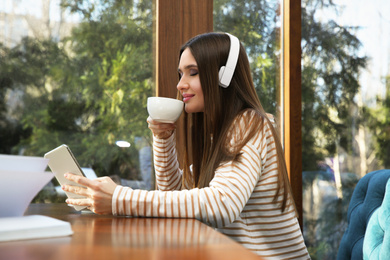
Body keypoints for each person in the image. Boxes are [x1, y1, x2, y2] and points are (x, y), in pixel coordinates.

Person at [63, 32, 310, 259]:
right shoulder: (218, 135)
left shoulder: (250, 123)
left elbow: (223, 204)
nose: (181, 84)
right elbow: (173, 195)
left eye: (193, 72)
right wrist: (163, 138)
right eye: (181, 74)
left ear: (224, 77)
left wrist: (119, 197)